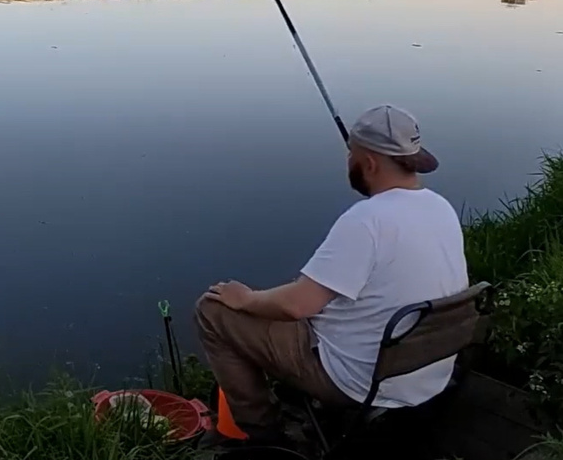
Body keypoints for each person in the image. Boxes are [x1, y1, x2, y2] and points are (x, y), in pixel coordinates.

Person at [195, 104, 469, 441]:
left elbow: (296, 306)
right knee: (305, 300)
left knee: (213, 311)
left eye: (350, 155)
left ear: (368, 163)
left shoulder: (366, 221)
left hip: (360, 382)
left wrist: (246, 298)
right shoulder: (441, 208)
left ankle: (264, 435)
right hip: (428, 372)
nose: (347, 162)